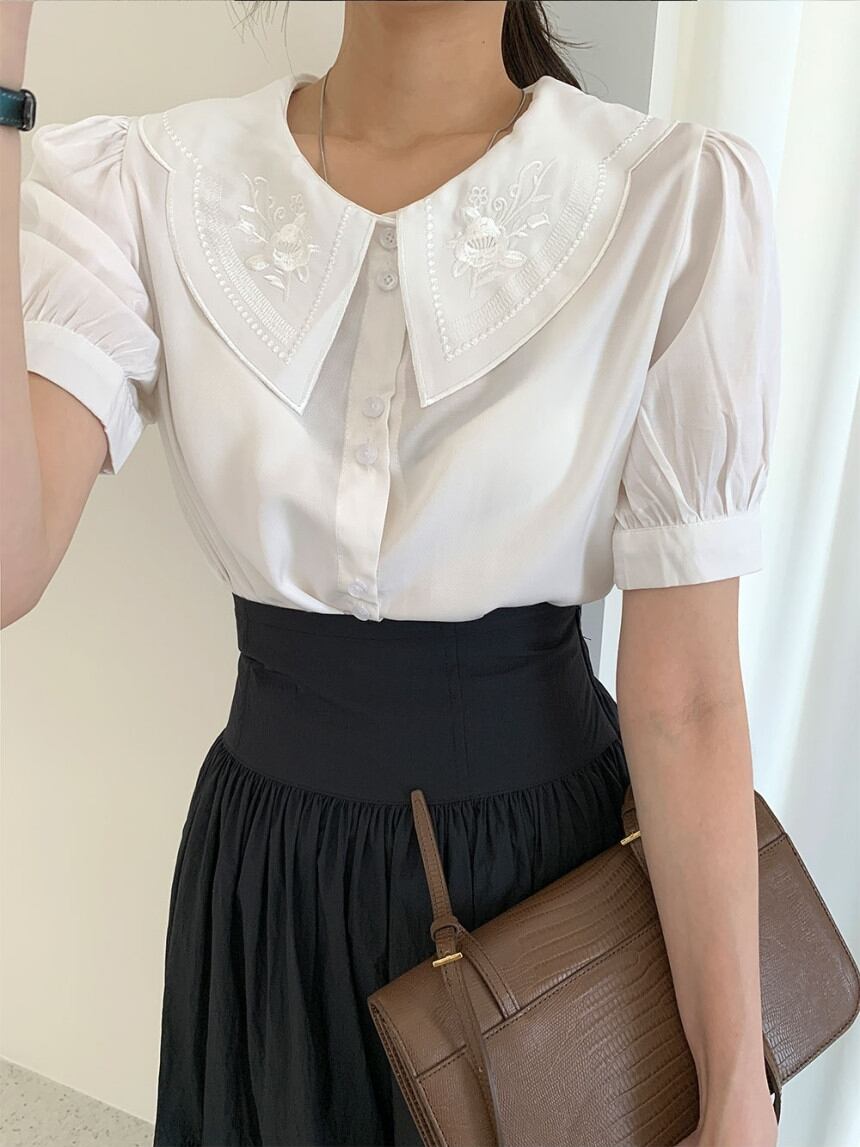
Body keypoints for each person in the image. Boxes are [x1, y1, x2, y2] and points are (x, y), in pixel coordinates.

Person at [2, 1, 782, 1144]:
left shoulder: (671, 198)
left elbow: (690, 698)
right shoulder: (144, 182)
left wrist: (731, 1086)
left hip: (542, 892)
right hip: (268, 884)